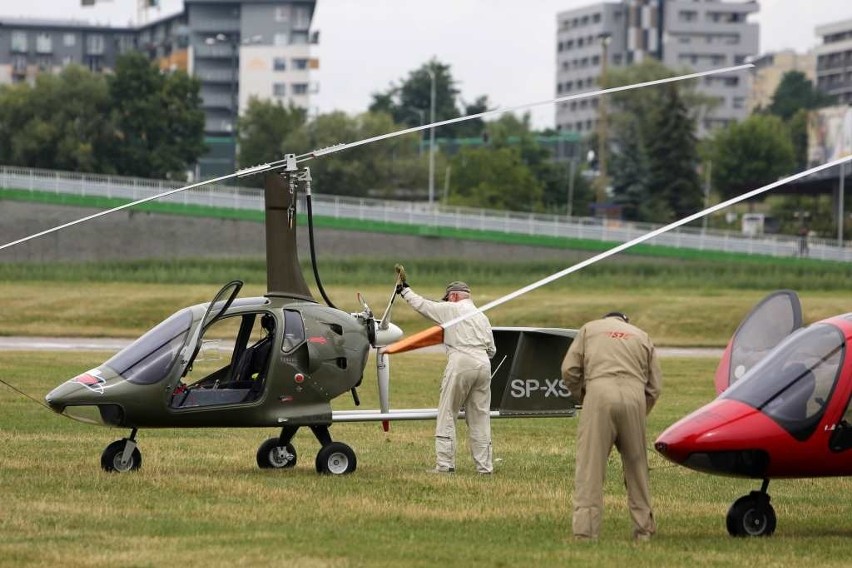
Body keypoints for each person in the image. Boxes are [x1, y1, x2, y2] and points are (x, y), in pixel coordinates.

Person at [561, 311, 662, 541]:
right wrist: (640, 410)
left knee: (591, 468)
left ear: (606, 319)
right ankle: (643, 529)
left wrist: (585, 397)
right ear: (626, 322)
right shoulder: (641, 335)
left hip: (599, 393)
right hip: (634, 396)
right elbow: (655, 386)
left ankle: (586, 532)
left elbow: (569, 370)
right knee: (637, 469)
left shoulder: (589, 328)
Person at [397, 274, 497, 474]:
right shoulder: (482, 315)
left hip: (461, 360)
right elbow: (492, 350)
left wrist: (404, 291)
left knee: (447, 413)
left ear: (453, 296)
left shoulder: (451, 309)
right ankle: (485, 467)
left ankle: (444, 465)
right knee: (480, 417)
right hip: (484, 364)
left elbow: (423, 305)